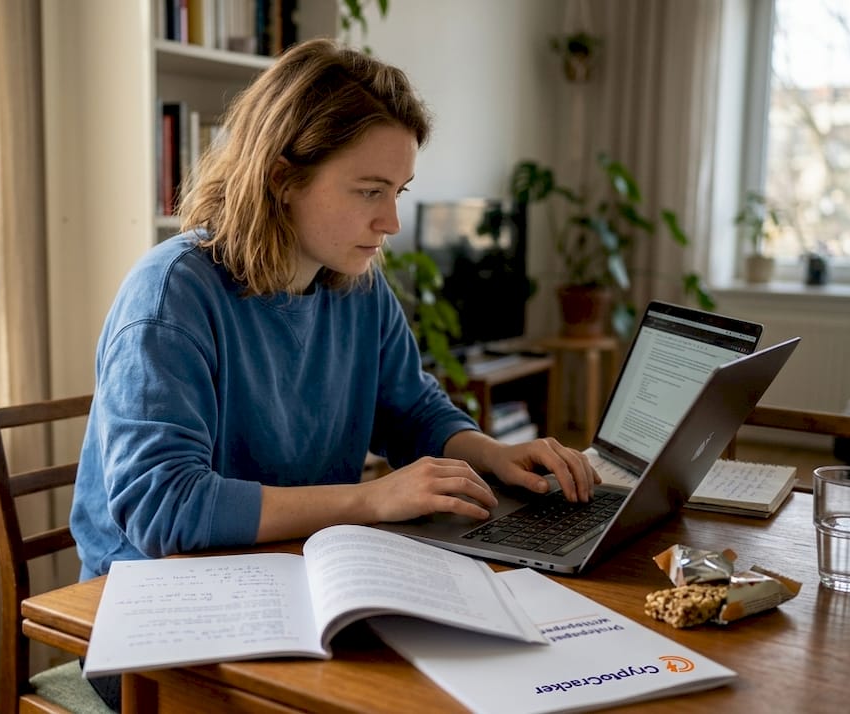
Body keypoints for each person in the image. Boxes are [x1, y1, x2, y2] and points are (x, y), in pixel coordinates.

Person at [70, 38, 599, 705]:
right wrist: (370, 500)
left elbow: (409, 409)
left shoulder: (355, 285)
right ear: (282, 178)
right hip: (154, 625)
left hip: (291, 584)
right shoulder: (172, 295)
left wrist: (493, 453)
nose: (392, 220)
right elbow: (164, 507)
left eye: (398, 191)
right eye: (369, 191)